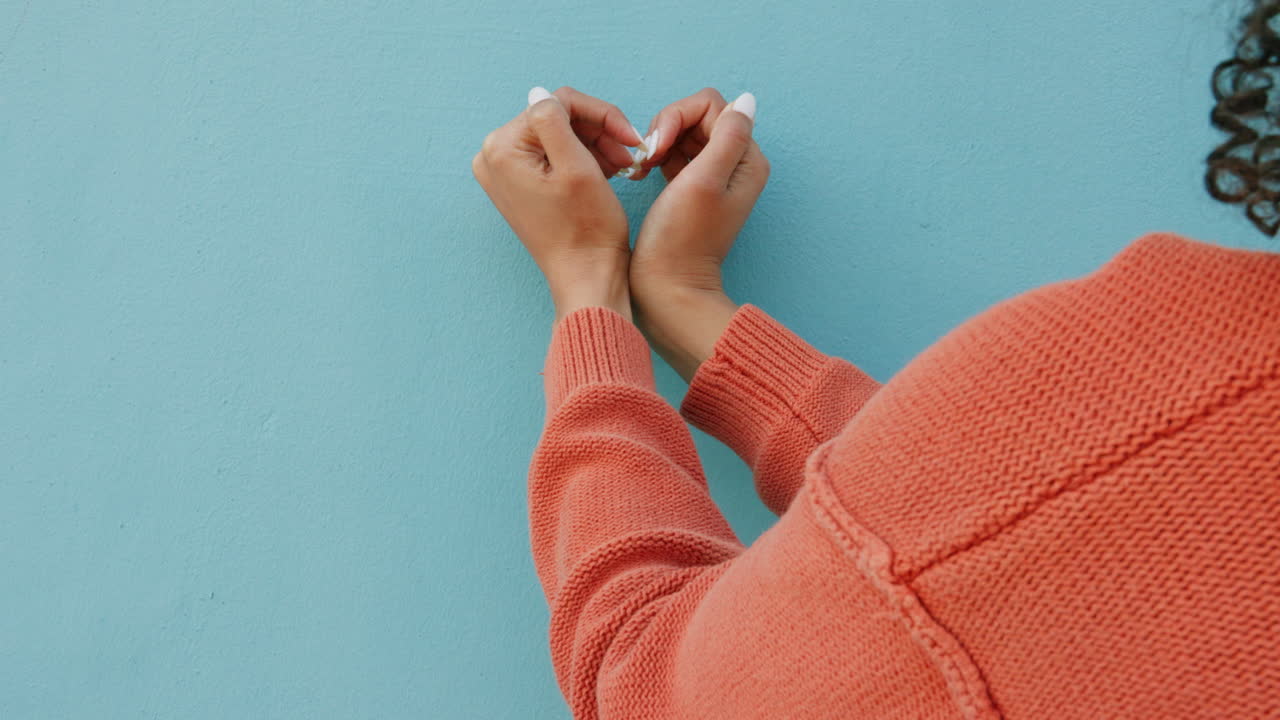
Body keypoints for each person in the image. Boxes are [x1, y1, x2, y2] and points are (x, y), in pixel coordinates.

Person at [471, 3, 1280, 717]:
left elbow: (646, 680)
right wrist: (685, 301)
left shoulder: (1154, 365)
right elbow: (984, 557)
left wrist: (589, 291)